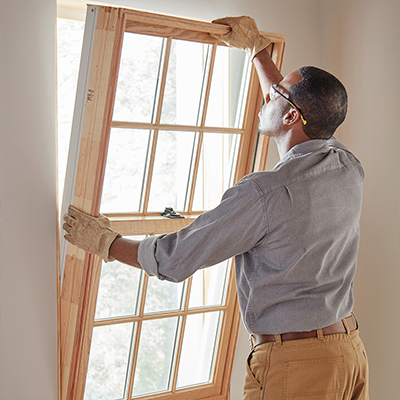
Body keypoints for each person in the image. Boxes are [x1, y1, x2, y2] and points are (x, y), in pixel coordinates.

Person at [63, 16, 369, 400]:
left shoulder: (264, 194)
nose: (268, 94)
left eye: (277, 92)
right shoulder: (346, 166)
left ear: (292, 115)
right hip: (347, 352)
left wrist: (105, 243)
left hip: (297, 367)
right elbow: (297, 111)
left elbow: (175, 259)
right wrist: (257, 50)